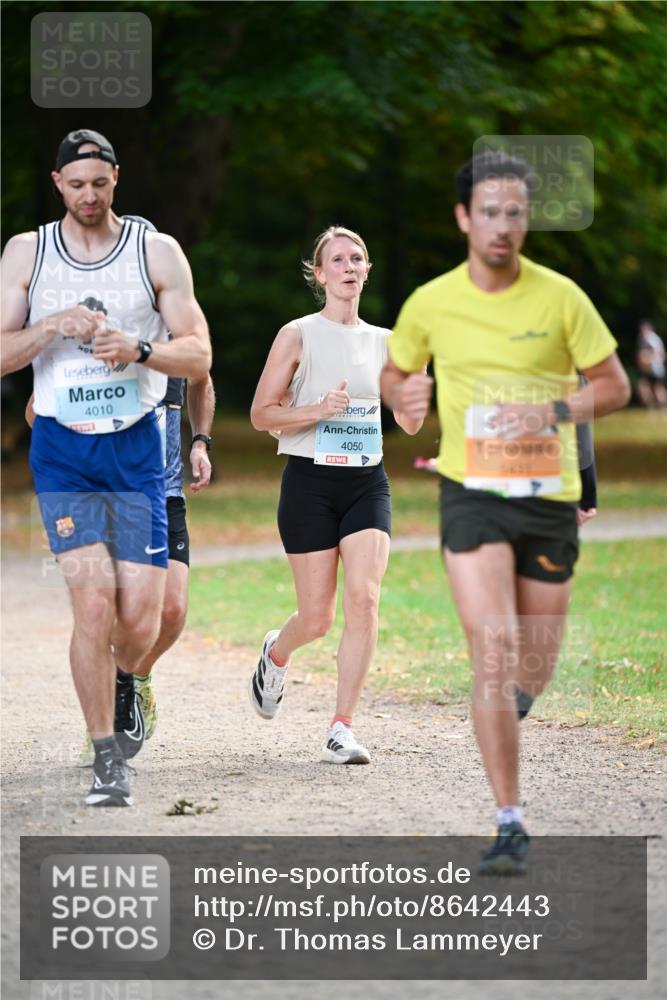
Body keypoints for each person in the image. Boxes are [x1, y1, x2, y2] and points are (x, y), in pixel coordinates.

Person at [381, 152, 630, 872]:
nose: (502, 225)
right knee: (490, 648)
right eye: (488, 211)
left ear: (526, 220)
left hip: (548, 497)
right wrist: (403, 398)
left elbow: (612, 387)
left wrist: (552, 408)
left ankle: (511, 706)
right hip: (471, 492)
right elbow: (394, 374)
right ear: (464, 217)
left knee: (534, 661)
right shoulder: (430, 301)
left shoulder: (560, 298)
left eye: (515, 212)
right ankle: (509, 820)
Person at [1, 129, 212, 807]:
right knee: (92, 604)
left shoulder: (155, 250)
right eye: (76, 184)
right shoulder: (28, 253)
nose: (88, 195)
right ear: (56, 183)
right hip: (64, 449)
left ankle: (130, 677)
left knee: (143, 619)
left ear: (116, 178)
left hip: (136, 450)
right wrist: (50, 326)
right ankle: (104, 758)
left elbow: (200, 354)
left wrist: (142, 348)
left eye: (99, 182)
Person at [248, 226, 425, 764]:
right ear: (320, 273)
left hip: (367, 481)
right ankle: (276, 654)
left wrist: (418, 389)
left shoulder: (390, 343)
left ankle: (341, 727)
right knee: (318, 618)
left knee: (365, 599)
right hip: (308, 482)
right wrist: (317, 410)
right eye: (338, 260)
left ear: (366, 271)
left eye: (358, 259)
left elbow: (411, 425)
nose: (349, 266)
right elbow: (261, 414)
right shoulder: (297, 334)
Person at [636, 319, 667, 409]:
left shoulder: (652, 339)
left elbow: (661, 354)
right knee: (644, 387)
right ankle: (652, 406)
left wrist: (648, 358)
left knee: (657, 389)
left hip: (655, 368)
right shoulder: (642, 339)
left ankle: (662, 407)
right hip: (647, 369)